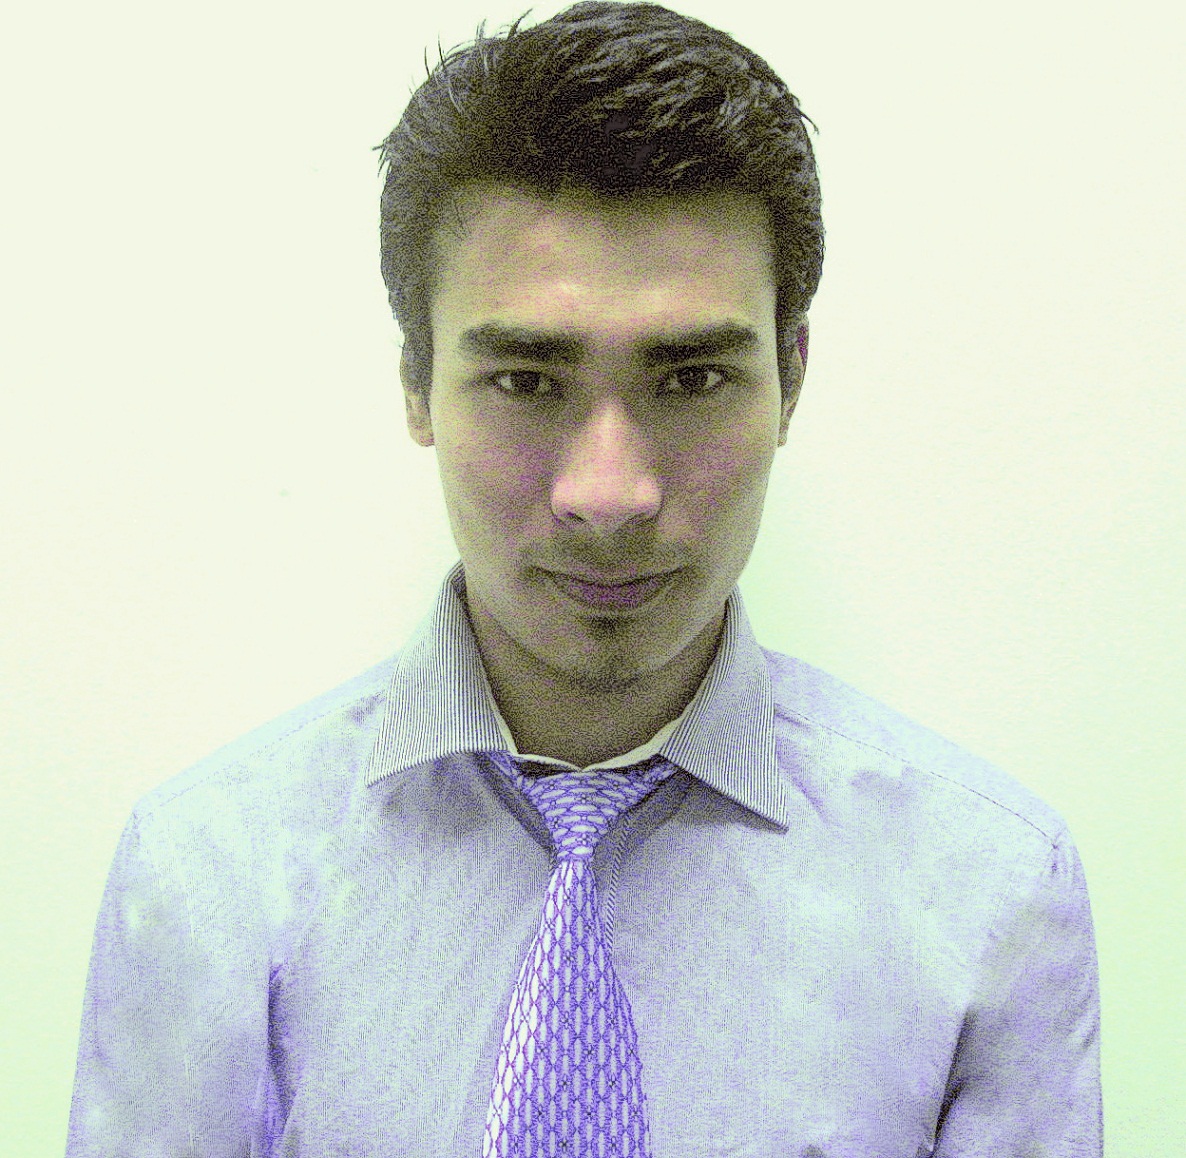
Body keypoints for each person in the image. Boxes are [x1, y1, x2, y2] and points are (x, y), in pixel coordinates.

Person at [66, 3, 1102, 1155]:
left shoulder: (987, 894)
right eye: (524, 381)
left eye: (692, 378)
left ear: (791, 379)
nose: (608, 495)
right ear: (416, 384)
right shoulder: (208, 877)